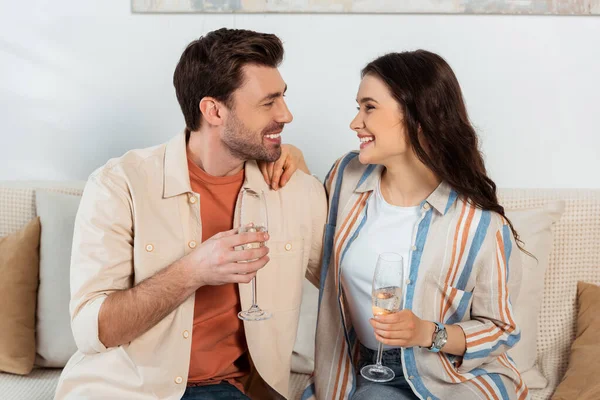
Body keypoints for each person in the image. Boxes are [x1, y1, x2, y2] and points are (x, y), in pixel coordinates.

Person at [54, 28, 327, 400]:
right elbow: (93, 331)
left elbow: (346, 284)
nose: (286, 114)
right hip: (127, 389)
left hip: (227, 389)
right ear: (213, 110)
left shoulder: (292, 188)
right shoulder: (119, 186)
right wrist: (194, 270)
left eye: (283, 97)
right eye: (269, 102)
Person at [301, 50, 528, 400]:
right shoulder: (345, 177)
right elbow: (305, 235)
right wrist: (290, 158)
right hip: (368, 368)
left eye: (369, 107)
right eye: (358, 107)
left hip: (451, 378)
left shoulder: (480, 225)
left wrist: (427, 333)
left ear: (416, 117)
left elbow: (501, 330)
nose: (355, 122)